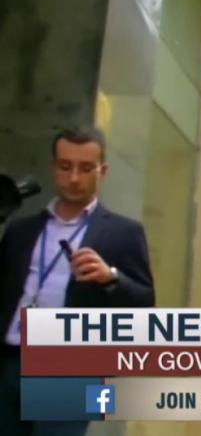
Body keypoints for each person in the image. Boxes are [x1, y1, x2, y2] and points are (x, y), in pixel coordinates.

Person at [0, 127, 155, 436]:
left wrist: (111, 277)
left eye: (85, 168)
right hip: (10, 362)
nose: (73, 178)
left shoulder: (124, 233)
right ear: (53, 167)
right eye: (65, 166)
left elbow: (145, 303)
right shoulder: (20, 230)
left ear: (102, 171)